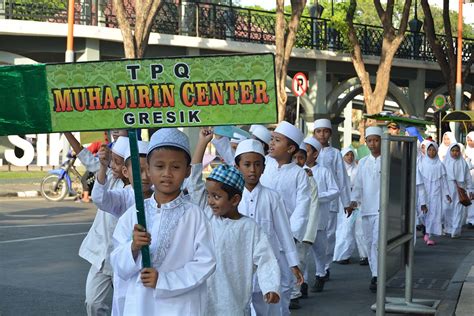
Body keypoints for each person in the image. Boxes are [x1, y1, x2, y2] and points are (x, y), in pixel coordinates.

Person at [110, 128, 216, 315]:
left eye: (175, 167)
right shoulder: (134, 214)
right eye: (159, 166)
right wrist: (133, 248)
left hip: (182, 306)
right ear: (148, 169)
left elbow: (205, 262)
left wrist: (164, 280)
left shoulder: (194, 215)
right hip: (141, 304)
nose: (167, 173)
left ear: (187, 171)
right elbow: (117, 263)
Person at [188, 135, 282, 315]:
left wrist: (270, 287)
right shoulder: (206, 215)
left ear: (235, 199)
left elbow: (266, 260)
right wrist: (202, 142)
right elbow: (193, 182)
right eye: (209, 195)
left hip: (234, 303)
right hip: (204, 299)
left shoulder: (250, 228)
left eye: (216, 197)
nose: (210, 201)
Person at [64, 132, 128, 315]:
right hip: (101, 256)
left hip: (125, 260)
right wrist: (66, 132)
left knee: (126, 307)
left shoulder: (138, 190)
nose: (113, 165)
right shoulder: (106, 176)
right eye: (112, 161)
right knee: (92, 303)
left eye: (117, 161)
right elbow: (84, 155)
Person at [91, 140, 151, 316]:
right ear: (126, 172)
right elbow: (100, 198)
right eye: (139, 171)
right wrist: (103, 167)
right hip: (127, 269)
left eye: (150, 169)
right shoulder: (125, 197)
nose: (145, 176)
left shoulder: (164, 199)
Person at [260, 121, 311, 312]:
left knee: (284, 284)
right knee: (261, 283)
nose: (271, 143)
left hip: (284, 239)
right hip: (262, 234)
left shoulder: (299, 175)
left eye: (277, 140)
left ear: (290, 148)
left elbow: (302, 207)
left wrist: (291, 235)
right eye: (272, 139)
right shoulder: (263, 165)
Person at [313, 119, 351, 280]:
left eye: (325, 131)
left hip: (330, 201)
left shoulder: (335, 153)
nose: (322, 134)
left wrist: (346, 202)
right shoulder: (308, 150)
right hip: (310, 201)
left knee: (328, 236)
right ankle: (316, 268)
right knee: (311, 237)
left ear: (330, 133)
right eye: (319, 131)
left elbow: (342, 179)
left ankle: (325, 267)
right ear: (314, 133)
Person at [347, 126, 383, 293]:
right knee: (369, 242)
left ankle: (377, 275)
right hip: (366, 208)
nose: (373, 144)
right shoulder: (363, 163)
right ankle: (375, 272)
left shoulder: (389, 160)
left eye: (376, 140)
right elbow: (359, 184)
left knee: (377, 243)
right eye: (370, 140)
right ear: (366, 142)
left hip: (382, 209)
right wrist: (354, 201)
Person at [302, 137, 339, 293]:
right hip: (303, 217)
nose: (303, 154)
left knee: (319, 250)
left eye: (307, 151)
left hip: (319, 217)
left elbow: (335, 190)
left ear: (315, 154)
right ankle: (301, 282)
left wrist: (318, 197)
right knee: (301, 253)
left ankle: (320, 274)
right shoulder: (299, 170)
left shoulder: (324, 171)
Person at [333, 147, 369, 266]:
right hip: (344, 203)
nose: (349, 157)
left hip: (358, 202)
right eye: (347, 155)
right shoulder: (338, 170)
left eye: (351, 154)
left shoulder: (358, 169)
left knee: (360, 229)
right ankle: (342, 255)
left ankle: (365, 255)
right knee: (345, 229)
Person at [418, 142, 451, 245]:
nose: (431, 152)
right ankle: (425, 230)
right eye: (429, 150)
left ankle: (429, 235)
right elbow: (419, 182)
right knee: (424, 214)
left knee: (435, 214)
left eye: (434, 150)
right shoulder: (422, 164)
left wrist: (447, 194)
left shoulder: (440, 165)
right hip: (424, 193)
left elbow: (444, 181)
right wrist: (422, 198)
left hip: (437, 194)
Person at [443, 143, 473, 238]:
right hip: (447, 188)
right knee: (447, 208)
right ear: (449, 151)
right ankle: (448, 227)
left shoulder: (463, 162)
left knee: (458, 209)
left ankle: (456, 229)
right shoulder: (445, 162)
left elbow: (468, 177)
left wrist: (470, 189)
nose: (455, 153)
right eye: (453, 151)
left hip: (460, 188)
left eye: (457, 151)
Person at [464, 132, 474, 228]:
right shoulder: (466, 151)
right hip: (468, 178)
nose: (469, 142)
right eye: (468, 140)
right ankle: (469, 219)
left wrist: (468, 161)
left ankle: (472, 219)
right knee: (468, 197)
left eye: (471, 140)